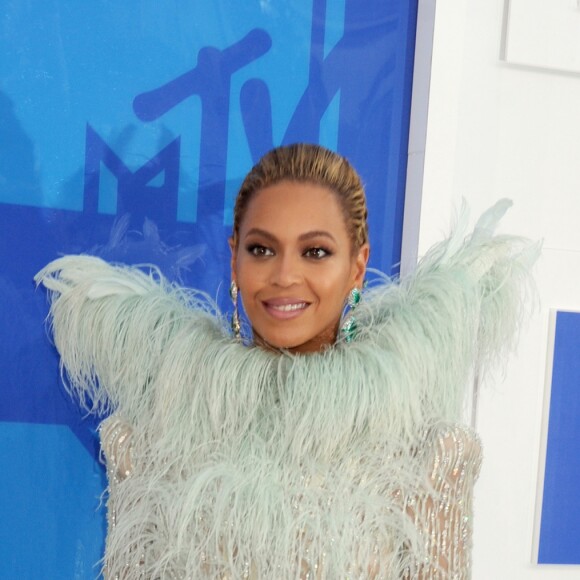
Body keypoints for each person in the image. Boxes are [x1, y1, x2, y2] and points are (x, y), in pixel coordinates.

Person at [36, 144, 536, 579]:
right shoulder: (152, 439)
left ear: (357, 266)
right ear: (235, 259)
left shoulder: (424, 456)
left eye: (315, 252)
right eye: (262, 249)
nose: (284, 276)